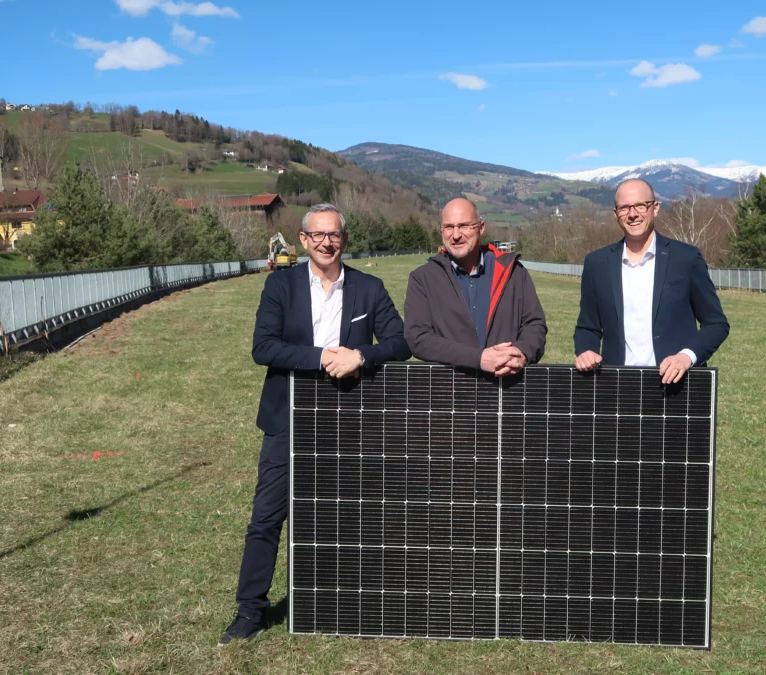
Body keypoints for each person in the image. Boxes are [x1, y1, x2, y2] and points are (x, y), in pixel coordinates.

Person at [220, 203, 411, 645]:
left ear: (345, 240)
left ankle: (350, 599)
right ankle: (251, 608)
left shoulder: (369, 288)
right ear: (304, 240)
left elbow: (401, 342)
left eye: (335, 235)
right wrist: (322, 356)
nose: (327, 242)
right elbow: (263, 347)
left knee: (353, 514)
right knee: (268, 515)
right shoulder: (279, 285)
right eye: (318, 235)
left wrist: (361, 356)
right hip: (288, 416)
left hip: (350, 418)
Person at [574, 178, 729, 382]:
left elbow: (716, 323)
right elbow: (588, 327)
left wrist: (687, 356)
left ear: (655, 208)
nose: (632, 214)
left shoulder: (686, 258)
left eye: (640, 205)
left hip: (676, 385)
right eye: (624, 208)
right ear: (616, 213)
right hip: (617, 384)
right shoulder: (597, 264)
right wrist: (586, 350)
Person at [404, 197, 547, 374]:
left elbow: (535, 324)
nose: (456, 235)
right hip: (451, 393)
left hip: (507, 390)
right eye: (449, 227)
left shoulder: (513, 272)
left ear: (481, 227)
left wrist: (523, 352)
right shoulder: (423, 279)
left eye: (464, 225)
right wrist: (477, 358)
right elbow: (417, 338)